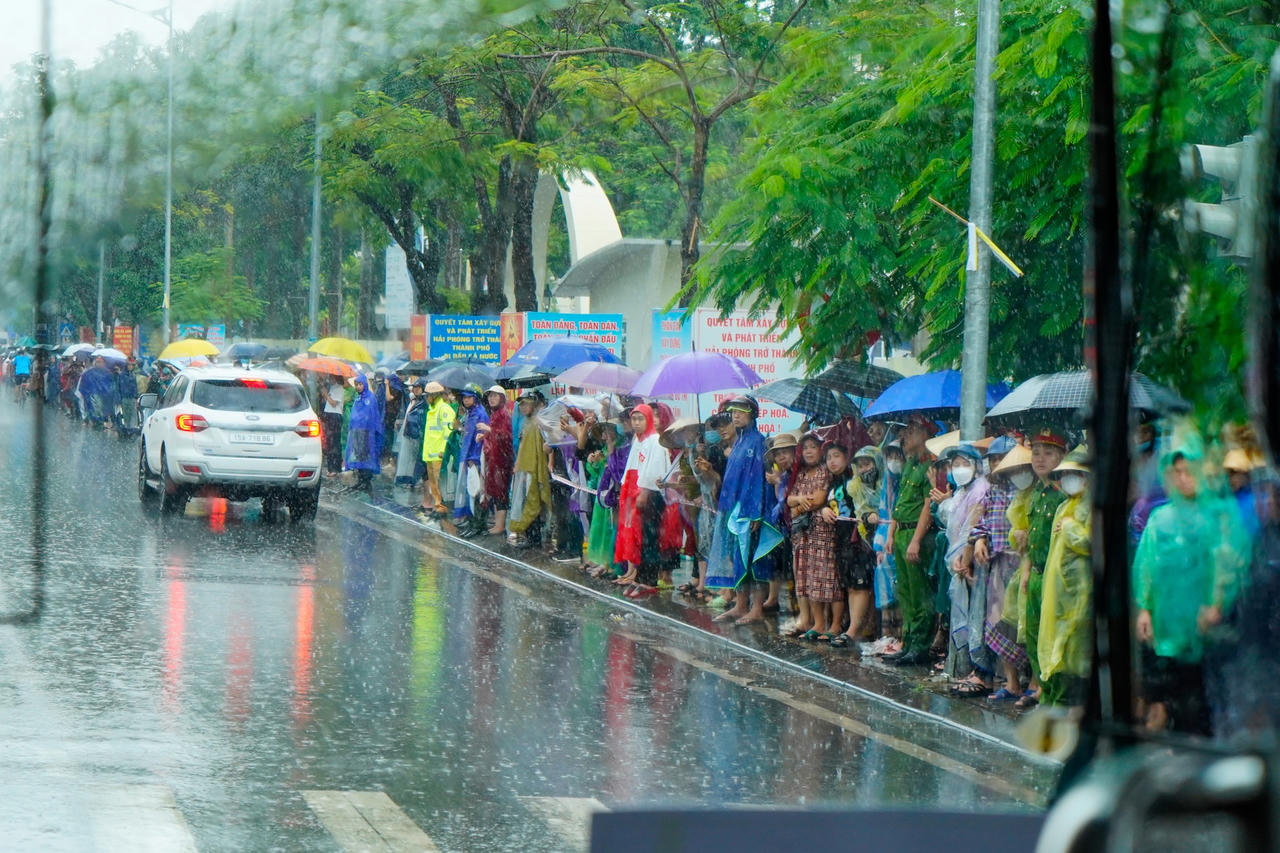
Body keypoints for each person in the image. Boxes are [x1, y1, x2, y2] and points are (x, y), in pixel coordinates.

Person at [1133, 440, 1249, 734]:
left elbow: (1231, 564)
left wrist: (1217, 604)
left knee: (1203, 694)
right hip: (1167, 624)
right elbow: (1146, 565)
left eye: (1190, 471)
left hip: (1206, 626)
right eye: (1178, 472)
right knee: (1171, 687)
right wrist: (1144, 609)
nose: (1184, 478)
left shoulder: (1220, 516)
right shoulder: (1160, 519)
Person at [704, 396, 774, 624]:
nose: (736, 415)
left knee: (753, 560)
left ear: (753, 414)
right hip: (732, 510)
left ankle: (756, 609)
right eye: (733, 411)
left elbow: (757, 480)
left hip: (749, 512)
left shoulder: (758, 442)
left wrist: (755, 512)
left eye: (741, 411)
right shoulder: (738, 443)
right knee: (737, 559)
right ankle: (740, 605)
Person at [1014, 427, 1068, 708]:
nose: (1040, 458)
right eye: (1036, 453)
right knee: (1034, 637)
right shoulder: (1035, 493)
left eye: (1048, 453)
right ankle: (1045, 692)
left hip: (1053, 575)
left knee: (1053, 640)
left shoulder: (1062, 494)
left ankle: (1058, 699)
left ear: (1061, 457)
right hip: (1034, 574)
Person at [977, 440, 1033, 702]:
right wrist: (979, 540)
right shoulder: (993, 491)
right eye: (993, 459)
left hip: (1023, 561)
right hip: (1000, 562)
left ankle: (1034, 682)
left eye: (1002, 458)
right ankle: (1012, 683)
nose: (997, 464)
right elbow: (981, 522)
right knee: (999, 623)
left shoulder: (1028, 490)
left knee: (1026, 623)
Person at [1038, 446, 1093, 708]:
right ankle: (1052, 701)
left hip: (1081, 591)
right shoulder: (1063, 507)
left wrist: (1070, 527)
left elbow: (1090, 543)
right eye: (1065, 474)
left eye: (1075, 474)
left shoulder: (1091, 507)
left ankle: (1070, 705)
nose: (1068, 479)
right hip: (1057, 590)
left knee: (1073, 650)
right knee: (1054, 645)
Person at [885, 414, 940, 666]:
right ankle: (907, 642)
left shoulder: (931, 465)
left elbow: (928, 505)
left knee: (920, 593)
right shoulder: (910, 464)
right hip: (901, 532)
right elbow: (900, 503)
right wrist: (891, 533)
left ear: (926, 434)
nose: (905, 434)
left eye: (912, 429)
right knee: (905, 592)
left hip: (917, 534)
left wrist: (916, 540)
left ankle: (920, 646)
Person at [939, 443, 994, 694]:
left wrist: (965, 556)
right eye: (956, 464)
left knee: (978, 617)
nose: (960, 469)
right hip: (961, 559)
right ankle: (968, 668)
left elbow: (973, 527)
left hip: (975, 561)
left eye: (965, 463)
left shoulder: (981, 490)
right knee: (968, 614)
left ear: (977, 466)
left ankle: (981, 671)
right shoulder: (962, 492)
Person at [826, 444, 880, 652]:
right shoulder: (837, 483)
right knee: (851, 585)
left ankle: (855, 629)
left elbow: (866, 508)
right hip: (843, 539)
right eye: (828, 457)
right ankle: (860, 626)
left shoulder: (857, 483)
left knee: (861, 584)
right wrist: (823, 510)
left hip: (860, 539)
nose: (832, 461)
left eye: (836, 456)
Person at [613, 404, 669, 596]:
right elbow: (632, 467)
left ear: (649, 419)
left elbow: (654, 471)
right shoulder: (639, 440)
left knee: (650, 538)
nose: (636, 423)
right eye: (634, 419)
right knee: (641, 538)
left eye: (640, 419)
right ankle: (640, 577)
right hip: (637, 493)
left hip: (651, 495)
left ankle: (649, 580)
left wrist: (644, 492)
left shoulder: (655, 441)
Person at [783, 433, 835, 638]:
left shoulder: (825, 471)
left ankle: (825, 623)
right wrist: (800, 500)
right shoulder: (802, 473)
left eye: (813, 447)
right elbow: (789, 500)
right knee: (805, 578)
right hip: (802, 534)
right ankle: (813, 622)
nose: (809, 451)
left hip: (821, 532)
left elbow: (819, 499)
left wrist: (798, 507)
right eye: (805, 448)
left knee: (822, 578)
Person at [869, 440, 904, 654]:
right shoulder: (887, 484)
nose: (893, 461)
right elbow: (884, 515)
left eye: (897, 456)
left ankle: (901, 638)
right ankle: (886, 637)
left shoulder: (906, 481)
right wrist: (879, 546)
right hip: (886, 546)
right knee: (885, 591)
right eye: (889, 456)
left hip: (903, 540)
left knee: (901, 593)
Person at [508, 390, 551, 547]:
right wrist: (518, 465)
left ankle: (534, 538)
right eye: (521, 405)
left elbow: (541, 449)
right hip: (525, 468)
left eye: (526, 404)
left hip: (533, 469)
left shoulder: (538, 422)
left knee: (532, 502)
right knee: (526, 501)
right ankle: (529, 536)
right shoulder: (527, 422)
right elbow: (523, 445)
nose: (523, 407)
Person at [453, 384, 490, 534]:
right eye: (464, 397)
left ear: (476, 398)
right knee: (470, 490)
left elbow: (481, 439)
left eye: (469, 397)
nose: (466, 400)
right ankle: (472, 521)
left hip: (475, 459)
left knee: (477, 492)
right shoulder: (470, 413)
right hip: (467, 457)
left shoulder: (480, 414)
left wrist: (474, 458)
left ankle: (478, 525)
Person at [480, 386, 515, 535]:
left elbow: (506, 436)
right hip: (494, 460)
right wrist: (485, 436)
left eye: (495, 396)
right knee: (494, 491)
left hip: (502, 461)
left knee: (500, 493)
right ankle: (497, 523)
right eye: (490, 396)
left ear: (502, 398)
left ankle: (500, 525)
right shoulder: (495, 414)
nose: (492, 399)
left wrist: (489, 430)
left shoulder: (503, 414)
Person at [344, 374, 383, 492]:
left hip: (367, 433)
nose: (358, 387)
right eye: (356, 385)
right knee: (359, 456)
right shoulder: (358, 398)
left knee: (366, 456)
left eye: (360, 384)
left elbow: (372, 416)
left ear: (365, 384)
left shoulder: (370, 398)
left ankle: (366, 481)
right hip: (357, 432)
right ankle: (361, 480)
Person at [419, 382, 453, 516]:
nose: (426, 398)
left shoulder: (444, 409)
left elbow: (448, 432)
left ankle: (441, 507)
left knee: (439, 483)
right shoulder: (432, 410)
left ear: (434, 395)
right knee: (433, 483)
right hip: (430, 454)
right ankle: (437, 506)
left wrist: (443, 450)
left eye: (427, 396)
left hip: (439, 454)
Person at [395, 378, 427, 487]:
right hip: (408, 434)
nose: (416, 389)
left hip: (417, 435)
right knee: (406, 458)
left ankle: (413, 480)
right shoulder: (412, 401)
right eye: (414, 387)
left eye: (418, 387)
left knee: (415, 460)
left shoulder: (424, 402)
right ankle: (405, 479)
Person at [320, 374, 346, 474]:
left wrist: (326, 395)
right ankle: (332, 467)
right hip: (329, 415)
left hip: (335, 416)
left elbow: (334, 403)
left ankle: (334, 468)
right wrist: (324, 394)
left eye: (331, 377)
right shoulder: (332, 388)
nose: (329, 379)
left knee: (333, 442)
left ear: (336, 378)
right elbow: (328, 402)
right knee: (329, 442)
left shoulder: (339, 388)